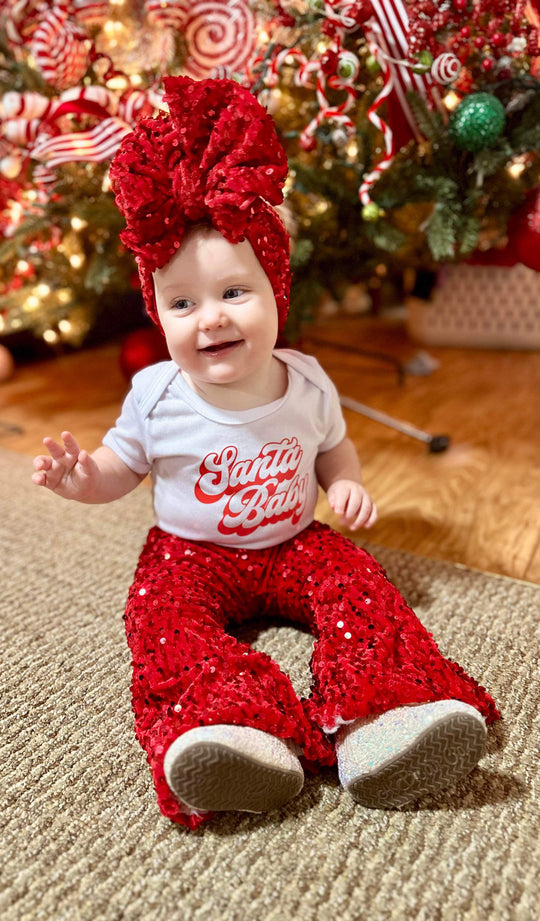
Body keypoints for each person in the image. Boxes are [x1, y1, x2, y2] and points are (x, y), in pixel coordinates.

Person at [32, 76, 500, 830]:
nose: (209, 319)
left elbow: (334, 451)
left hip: (292, 541)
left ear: (275, 290)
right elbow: (121, 467)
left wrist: (344, 486)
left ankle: (384, 716)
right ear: (158, 311)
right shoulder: (156, 395)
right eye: (181, 303)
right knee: (161, 621)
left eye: (233, 294)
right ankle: (231, 729)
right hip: (192, 551)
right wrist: (81, 477)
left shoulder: (306, 382)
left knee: (359, 587)